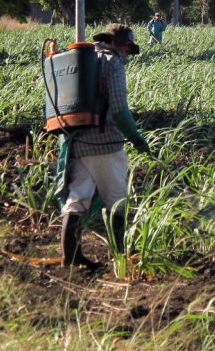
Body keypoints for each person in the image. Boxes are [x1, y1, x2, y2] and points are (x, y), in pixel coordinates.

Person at [58, 23, 150, 270]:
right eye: (128, 49)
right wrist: (137, 138)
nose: (128, 55)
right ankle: (122, 258)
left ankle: (71, 258)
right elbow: (119, 109)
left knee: (77, 198)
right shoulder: (113, 63)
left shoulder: (82, 59)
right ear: (122, 45)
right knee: (118, 199)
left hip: (76, 142)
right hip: (106, 143)